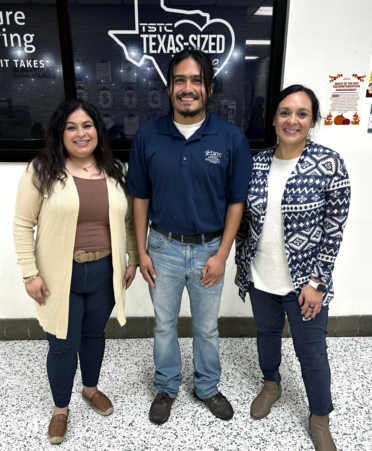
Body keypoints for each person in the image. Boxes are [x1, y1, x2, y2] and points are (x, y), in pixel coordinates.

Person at [127, 48, 253, 424]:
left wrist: (222, 254)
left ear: (209, 88)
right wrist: (142, 252)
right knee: (164, 324)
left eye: (196, 80)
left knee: (207, 327)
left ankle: (207, 387)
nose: (187, 88)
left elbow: (236, 202)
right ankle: (166, 386)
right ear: (169, 88)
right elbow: (139, 198)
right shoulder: (148, 135)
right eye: (179, 80)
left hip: (209, 250)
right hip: (161, 248)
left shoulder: (230, 138)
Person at [13, 99, 139, 444]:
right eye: (71, 127)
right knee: (63, 343)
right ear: (60, 132)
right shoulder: (41, 170)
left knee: (94, 335)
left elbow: (127, 221)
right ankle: (60, 410)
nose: (81, 133)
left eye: (87, 125)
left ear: (97, 130)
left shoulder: (114, 170)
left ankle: (90, 389)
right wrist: (29, 273)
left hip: (104, 271)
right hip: (59, 275)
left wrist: (132, 258)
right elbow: (23, 224)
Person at [235, 85, 351, 451]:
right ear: (273, 119)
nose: (292, 120)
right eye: (285, 112)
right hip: (261, 278)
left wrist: (317, 282)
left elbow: (335, 227)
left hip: (306, 284)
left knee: (312, 353)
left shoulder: (329, 163)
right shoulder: (255, 163)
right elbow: (242, 221)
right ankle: (271, 384)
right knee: (266, 336)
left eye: (302, 114)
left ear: (312, 120)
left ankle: (320, 418)